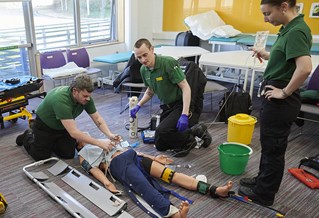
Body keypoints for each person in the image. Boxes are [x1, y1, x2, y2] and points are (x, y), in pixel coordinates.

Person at [238, 0, 312, 206]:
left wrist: (285, 92)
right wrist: (267, 55)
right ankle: (262, 182)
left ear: (284, 6)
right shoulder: (288, 29)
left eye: (267, 13)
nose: (265, 18)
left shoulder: (296, 31)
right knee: (269, 145)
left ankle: (264, 194)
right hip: (275, 93)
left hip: (281, 99)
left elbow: (305, 68)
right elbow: (287, 59)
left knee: (274, 149)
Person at [77, 140, 233, 218]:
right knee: (145, 187)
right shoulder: (83, 153)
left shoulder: (103, 138)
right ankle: (173, 214)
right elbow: (93, 169)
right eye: (80, 138)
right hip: (118, 164)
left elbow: (131, 150)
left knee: (171, 175)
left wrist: (154, 158)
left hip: (134, 157)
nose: (85, 137)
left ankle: (214, 190)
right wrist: (107, 182)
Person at [130, 38, 211, 157]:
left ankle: (189, 141)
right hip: (167, 107)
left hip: (180, 104)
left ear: (152, 49)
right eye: (139, 57)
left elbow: (186, 87)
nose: (143, 60)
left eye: (145, 55)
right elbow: (150, 90)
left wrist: (184, 113)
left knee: (162, 130)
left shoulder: (167, 63)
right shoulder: (144, 70)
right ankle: (195, 131)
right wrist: (138, 105)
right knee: (160, 145)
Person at [15, 74, 119, 161]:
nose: (88, 99)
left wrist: (109, 135)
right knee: (41, 156)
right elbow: (74, 132)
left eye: (89, 96)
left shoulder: (86, 99)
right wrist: (99, 143)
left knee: (67, 154)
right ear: (75, 91)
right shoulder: (61, 101)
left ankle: (51, 142)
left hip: (63, 126)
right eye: (85, 96)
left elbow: (97, 119)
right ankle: (28, 134)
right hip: (45, 125)